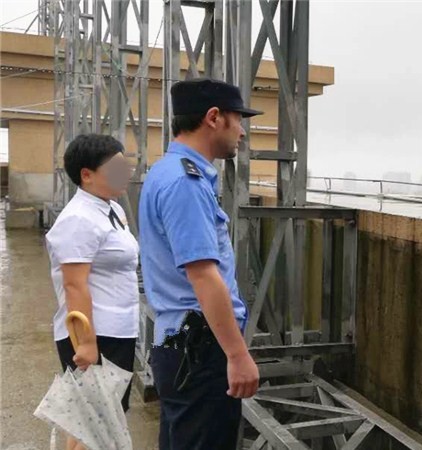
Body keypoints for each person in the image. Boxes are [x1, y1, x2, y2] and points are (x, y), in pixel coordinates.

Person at [138, 78, 263, 450]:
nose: (241, 131)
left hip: (179, 343)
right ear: (214, 118)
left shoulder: (165, 171)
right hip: (200, 349)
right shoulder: (186, 183)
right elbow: (204, 276)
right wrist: (238, 355)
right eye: (238, 119)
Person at [45, 133, 138, 450]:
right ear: (87, 175)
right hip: (95, 336)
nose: (126, 174)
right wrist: (85, 344)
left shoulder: (108, 209)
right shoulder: (77, 219)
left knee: (93, 423)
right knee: (97, 423)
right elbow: (74, 284)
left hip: (115, 331)